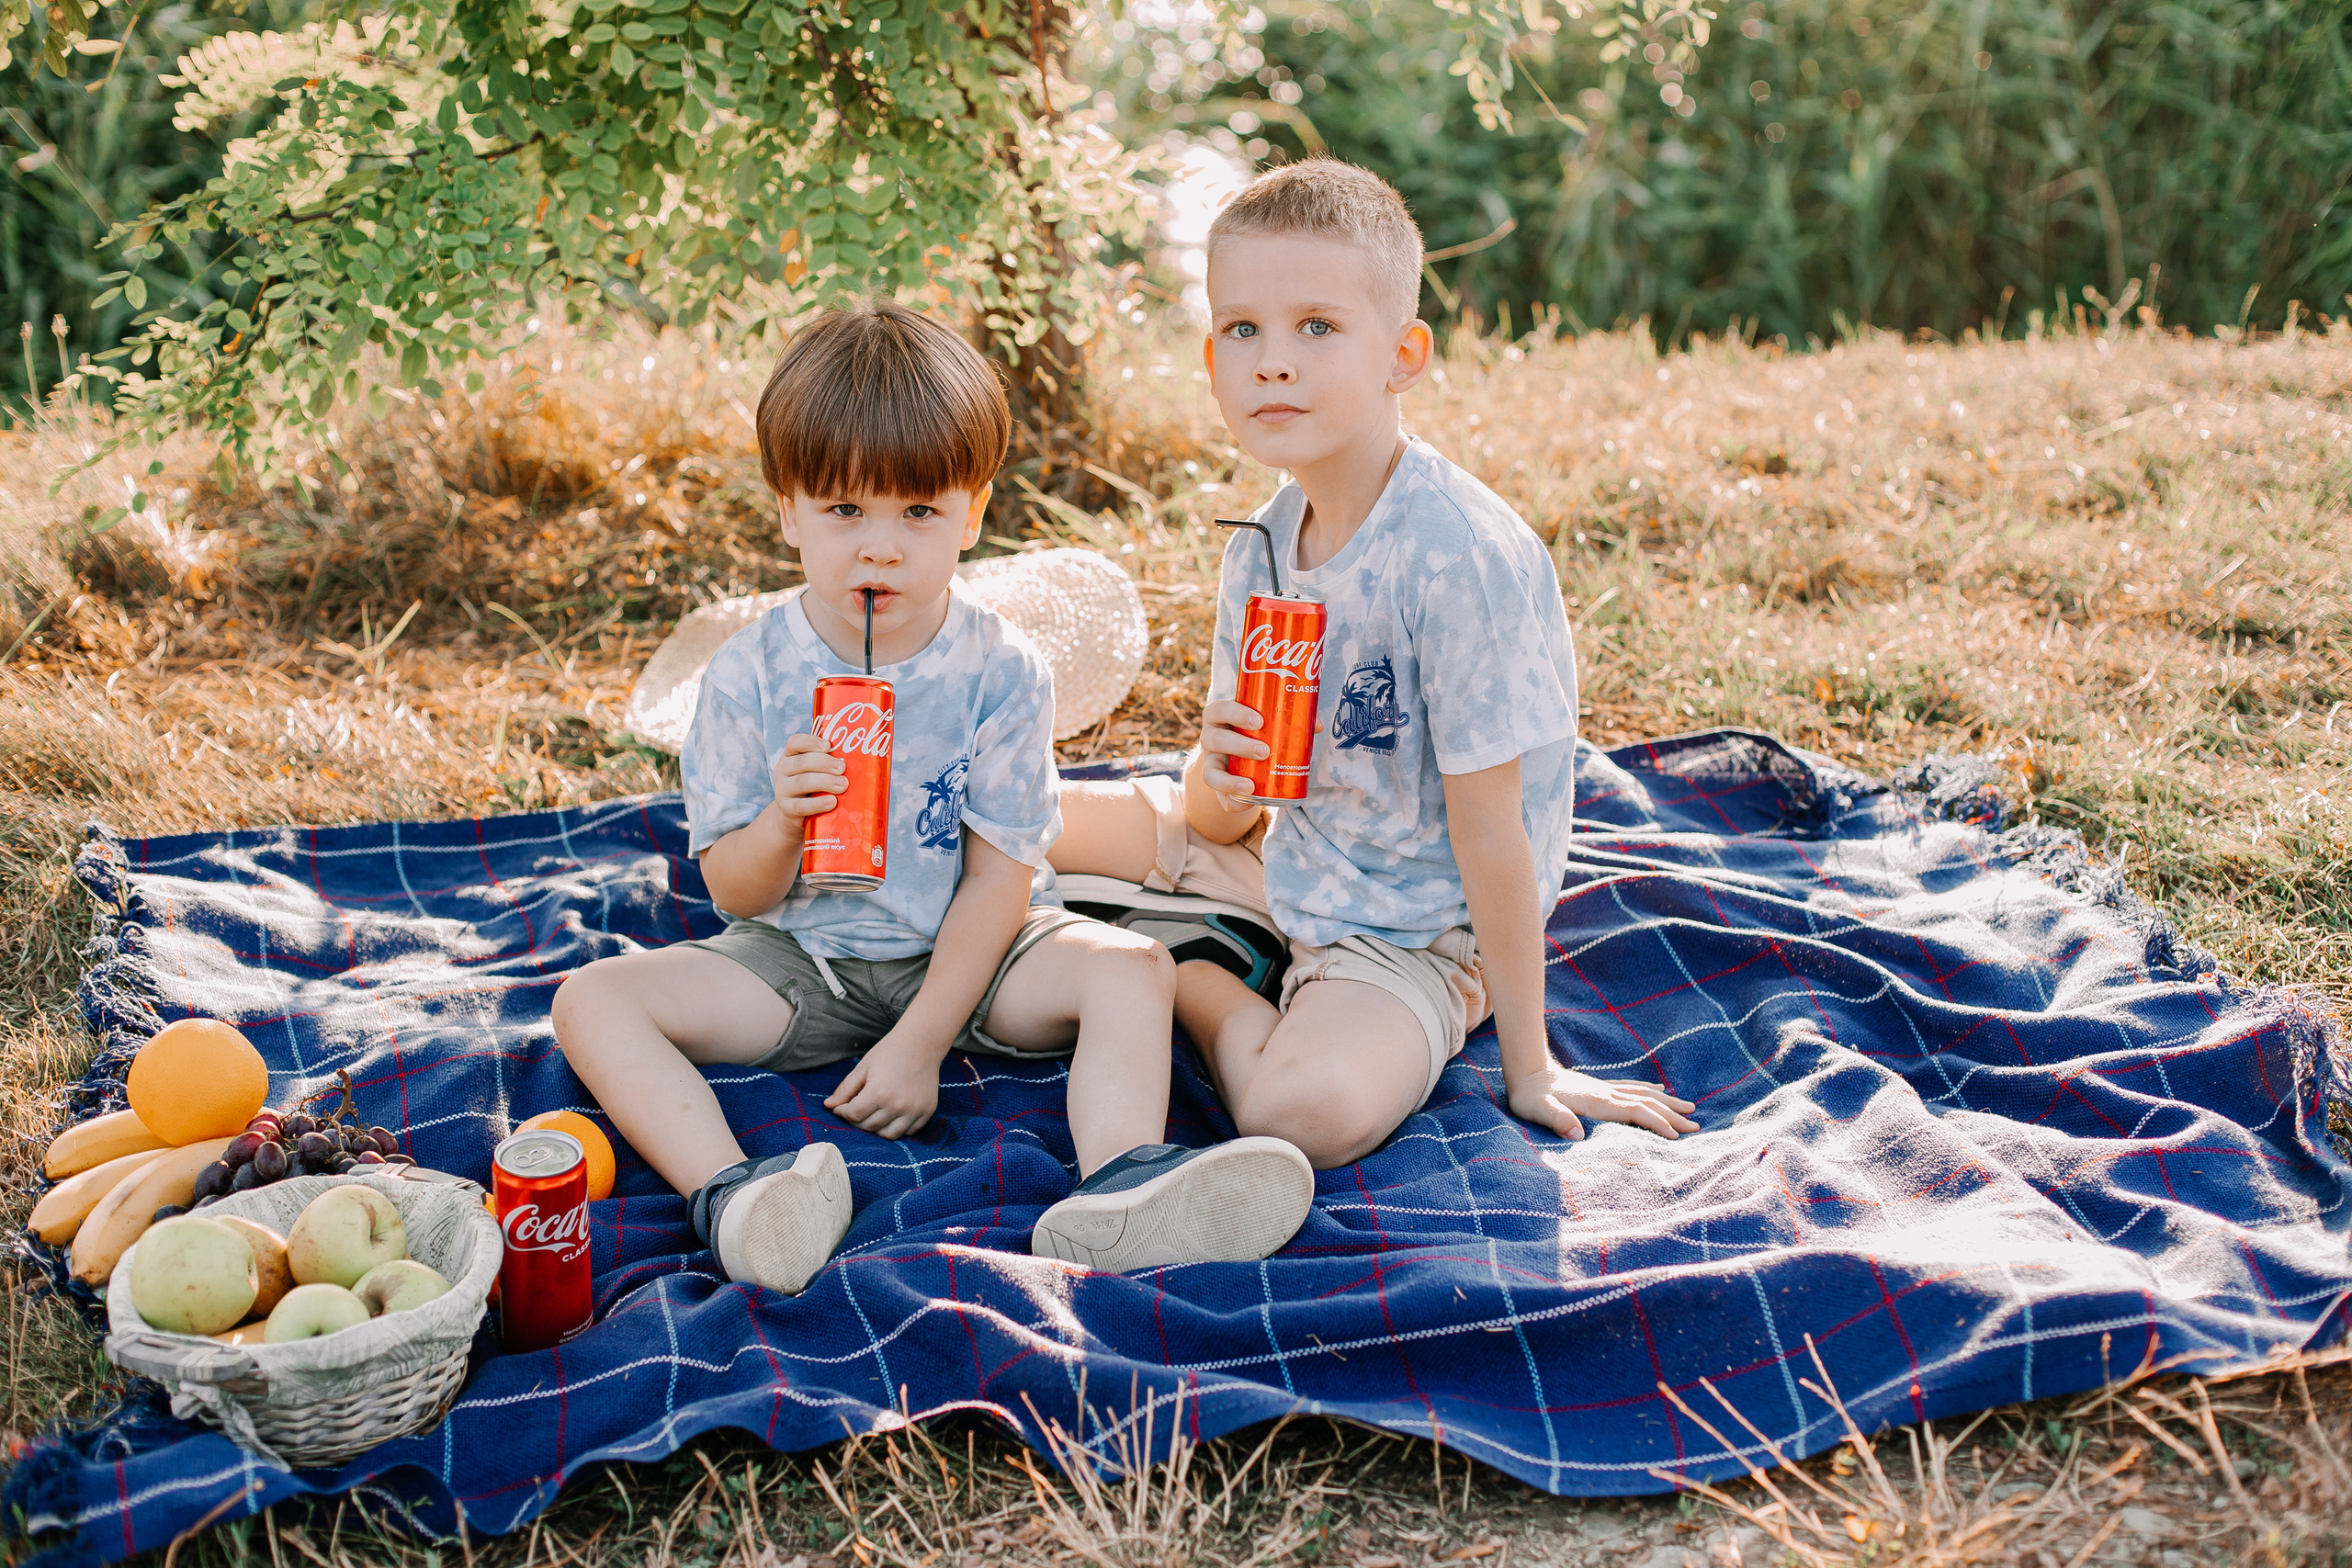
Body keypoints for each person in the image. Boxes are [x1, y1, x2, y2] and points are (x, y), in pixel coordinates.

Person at [552, 302, 1314, 1294]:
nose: (880, 548)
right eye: (842, 512)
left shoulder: (999, 670)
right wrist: (783, 822)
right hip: (802, 959)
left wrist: (919, 1046)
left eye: (918, 512)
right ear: (786, 511)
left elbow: (1002, 881)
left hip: (977, 954)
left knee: (1131, 968)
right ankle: (734, 1197)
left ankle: (1121, 1186)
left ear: (974, 514)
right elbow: (735, 897)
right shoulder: (748, 677)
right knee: (592, 997)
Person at [1055, 160, 1700, 1169]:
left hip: (1415, 926)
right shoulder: (1261, 547)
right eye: (1243, 330)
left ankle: (1186, 976)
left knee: (1298, 1114)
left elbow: (1494, 836)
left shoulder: (1454, 557)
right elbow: (1231, 811)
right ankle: (1110, 926)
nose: (1274, 363)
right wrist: (1213, 774)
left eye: (1317, 327)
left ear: (1403, 356)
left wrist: (1531, 1065)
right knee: (1007, 823)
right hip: (1293, 854)